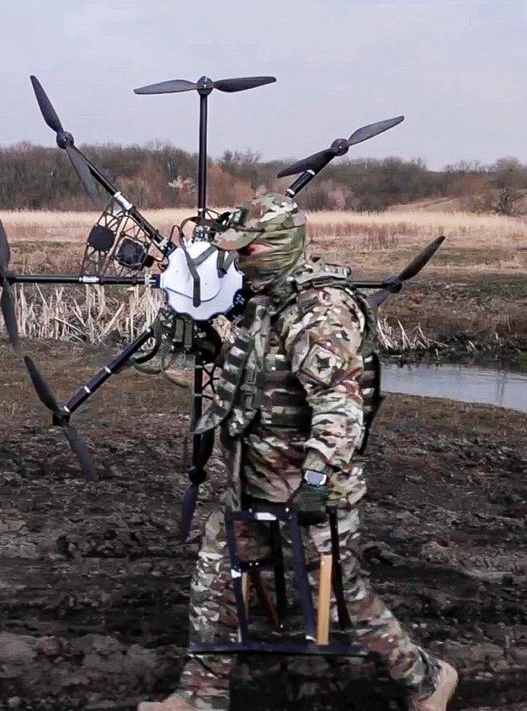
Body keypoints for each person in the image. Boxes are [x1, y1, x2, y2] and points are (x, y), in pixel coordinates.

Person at [139, 193, 458, 711]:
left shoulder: (320, 312)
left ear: (280, 247)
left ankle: (427, 680)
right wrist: (211, 351)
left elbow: (340, 405)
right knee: (217, 583)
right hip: (252, 482)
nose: (238, 260)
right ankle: (201, 696)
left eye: (248, 250)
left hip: (311, 491)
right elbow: (262, 381)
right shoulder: (269, 300)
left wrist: (316, 481)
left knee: (339, 603)